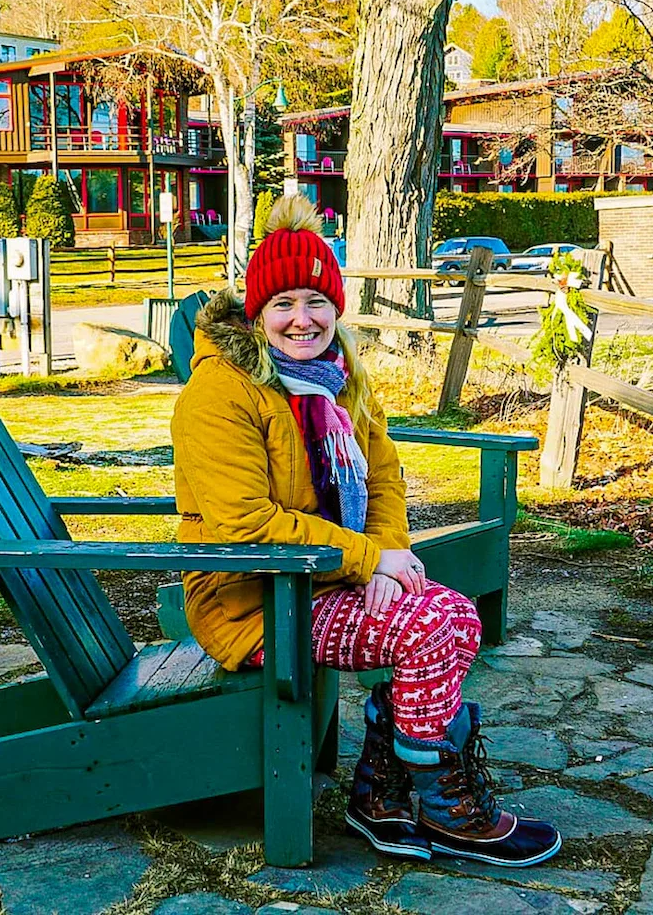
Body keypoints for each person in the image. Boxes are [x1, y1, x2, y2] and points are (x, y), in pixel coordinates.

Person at [170, 195, 560, 867]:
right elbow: (244, 524)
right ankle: (440, 808)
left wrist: (386, 553)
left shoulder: (340, 379)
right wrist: (364, 560)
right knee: (437, 625)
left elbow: (384, 477)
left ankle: (382, 790)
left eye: (317, 301)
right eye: (284, 303)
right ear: (258, 312)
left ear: (336, 307)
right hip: (257, 600)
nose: (302, 318)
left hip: (322, 578)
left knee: (453, 618)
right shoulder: (220, 391)